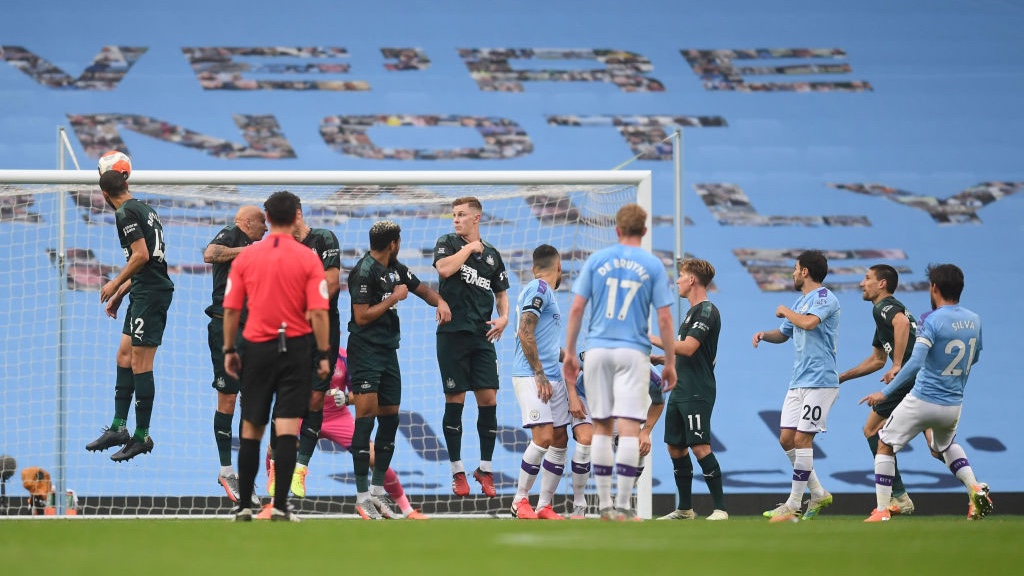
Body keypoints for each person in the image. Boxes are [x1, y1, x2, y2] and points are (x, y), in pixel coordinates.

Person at [561, 203, 677, 521]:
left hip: (597, 350)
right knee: (628, 429)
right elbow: (665, 320)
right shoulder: (652, 265)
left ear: (616, 230)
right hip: (633, 352)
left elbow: (576, 310)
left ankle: (604, 507)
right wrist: (669, 361)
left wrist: (571, 352)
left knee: (600, 427)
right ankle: (625, 506)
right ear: (644, 230)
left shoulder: (597, 260)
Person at [222, 190, 331, 522]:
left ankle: (243, 507)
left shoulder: (247, 257)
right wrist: (324, 354)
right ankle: (280, 506)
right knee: (286, 427)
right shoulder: (308, 258)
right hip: (295, 348)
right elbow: (318, 313)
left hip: (256, 347)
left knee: (252, 426)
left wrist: (229, 349)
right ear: (295, 216)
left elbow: (230, 309)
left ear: (266, 219)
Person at [860, 263, 993, 522]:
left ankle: (883, 509)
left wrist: (885, 392)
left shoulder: (930, 320)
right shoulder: (975, 320)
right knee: (941, 446)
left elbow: (916, 363)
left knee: (884, 443)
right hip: (953, 403)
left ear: (934, 288)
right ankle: (975, 488)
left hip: (923, 398)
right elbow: (974, 358)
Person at [347, 220, 450, 519]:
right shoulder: (363, 272)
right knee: (365, 419)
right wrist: (394, 298)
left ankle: (378, 490)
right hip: (365, 351)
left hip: (389, 351)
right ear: (393, 242)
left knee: (390, 418)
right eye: (399, 240)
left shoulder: (396, 268)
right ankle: (362, 495)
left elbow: (420, 290)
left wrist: (440, 301)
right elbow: (362, 316)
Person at [257, 348, 430, 520]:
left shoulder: (344, 357)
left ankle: (407, 510)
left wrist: (346, 398)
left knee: (373, 457)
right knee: (276, 447)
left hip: (337, 417)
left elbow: (361, 393)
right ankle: (274, 504)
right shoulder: (301, 351)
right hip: (303, 414)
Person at [87, 170, 174, 462]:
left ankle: (142, 436)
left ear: (104, 195)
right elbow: (146, 262)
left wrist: (112, 283)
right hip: (141, 290)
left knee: (141, 362)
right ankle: (118, 427)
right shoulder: (144, 208)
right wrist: (120, 294)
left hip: (151, 294)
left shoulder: (125, 213)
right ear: (126, 184)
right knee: (124, 356)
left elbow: (141, 256)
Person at [752, 250, 839, 522]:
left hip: (820, 381)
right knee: (787, 439)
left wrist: (785, 311)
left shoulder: (825, 298)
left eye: (795, 268)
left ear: (805, 272)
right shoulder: (800, 301)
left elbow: (809, 324)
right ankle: (818, 492)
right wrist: (765, 335)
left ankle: (793, 503)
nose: (792, 273)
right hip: (798, 381)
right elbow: (785, 332)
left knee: (803, 440)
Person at [433, 196, 510, 497]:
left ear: (477, 218)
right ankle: (457, 471)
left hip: (482, 336)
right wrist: (468, 248)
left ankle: (485, 469)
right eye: (454, 214)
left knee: (489, 400)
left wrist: (504, 317)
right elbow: (444, 270)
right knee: (456, 400)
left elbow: (502, 292)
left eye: (462, 215)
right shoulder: (448, 243)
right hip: (452, 334)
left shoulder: (492, 255)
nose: (456, 219)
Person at [650, 258, 727, 521]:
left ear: (692, 279)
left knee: (700, 446)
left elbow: (689, 347)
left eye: (681, 275)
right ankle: (685, 509)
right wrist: (661, 359)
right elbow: (684, 353)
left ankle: (720, 509)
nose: (678, 280)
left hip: (697, 389)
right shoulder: (690, 313)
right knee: (675, 447)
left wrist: (651, 339)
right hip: (680, 388)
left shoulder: (706, 311)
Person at [839, 264, 918, 516]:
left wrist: (897, 365)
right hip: (920, 378)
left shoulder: (884, 307)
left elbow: (902, 323)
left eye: (867, 278)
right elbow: (876, 360)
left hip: (909, 377)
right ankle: (974, 487)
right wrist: (842, 377)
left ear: (882, 284)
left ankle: (898, 497)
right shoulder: (881, 316)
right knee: (936, 444)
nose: (862, 283)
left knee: (872, 428)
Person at [203, 205, 267, 503]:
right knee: (228, 397)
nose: (265, 229)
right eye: (262, 224)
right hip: (225, 327)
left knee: (251, 399)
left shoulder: (253, 247)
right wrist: (248, 252)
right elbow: (210, 253)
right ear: (248, 222)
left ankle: (244, 472)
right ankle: (226, 470)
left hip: (250, 328)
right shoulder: (232, 235)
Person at [284, 207, 342, 498]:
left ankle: (300, 469)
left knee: (316, 397)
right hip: (290, 329)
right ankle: (275, 467)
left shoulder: (323, 239)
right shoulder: (280, 247)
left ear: (296, 214)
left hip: (323, 327)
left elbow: (332, 285)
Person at [510, 244, 569, 520]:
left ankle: (544, 505)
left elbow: (542, 340)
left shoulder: (548, 296)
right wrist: (539, 373)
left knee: (559, 439)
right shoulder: (539, 289)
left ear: (535, 267)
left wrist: (566, 357)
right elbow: (525, 332)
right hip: (531, 375)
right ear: (559, 267)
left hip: (551, 375)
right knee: (544, 437)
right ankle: (519, 500)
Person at [569, 354, 666, 520]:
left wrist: (645, 432)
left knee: (638, 447)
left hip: (622, 407)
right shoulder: (596, 357)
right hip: (588, 400)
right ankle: (579, 505)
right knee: (586, 440)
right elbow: (569, 366)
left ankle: (623, 504)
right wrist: (573, 398)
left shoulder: (650, 375)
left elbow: (658, 402)